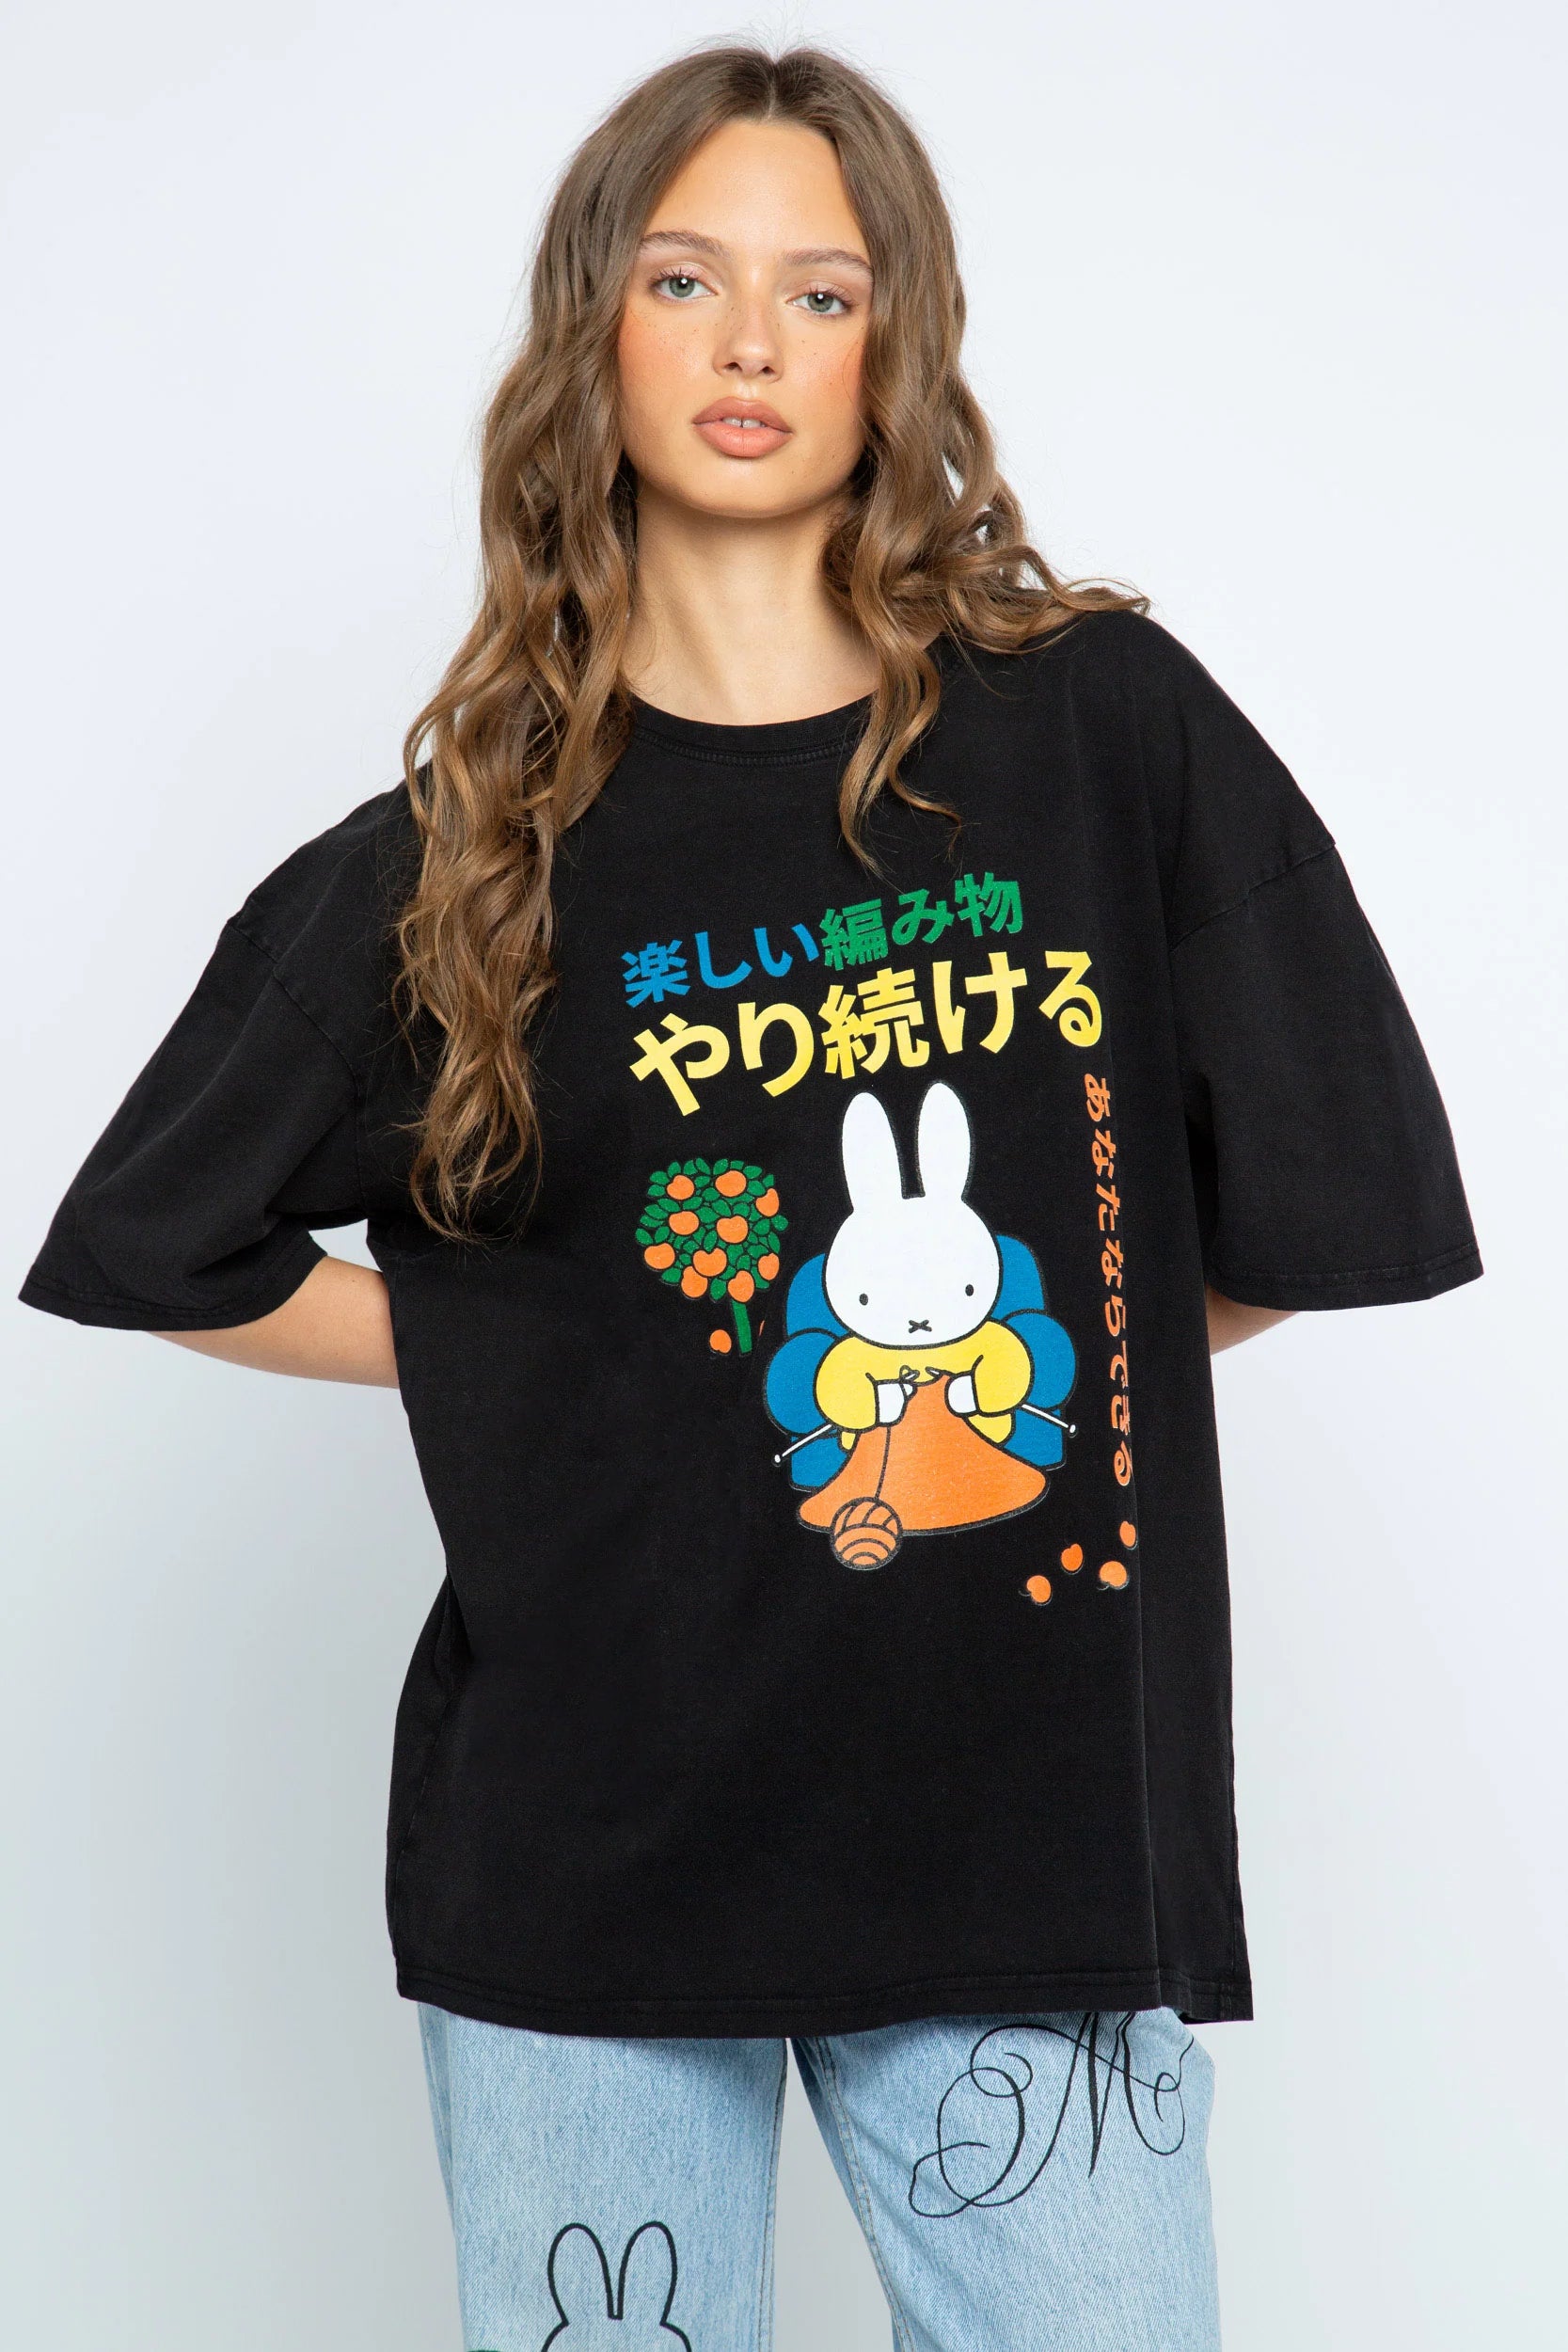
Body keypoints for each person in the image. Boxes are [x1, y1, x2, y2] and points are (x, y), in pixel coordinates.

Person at [19, 41, 1481, 2352]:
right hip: (586, 1854)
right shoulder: (473, 851)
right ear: (596, 326)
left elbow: (1316, 1198)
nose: (753, 342)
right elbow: (145, 1237)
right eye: (687, 278)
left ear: (899, 344)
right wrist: (547, 1351)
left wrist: (1000, 1357)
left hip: (1018, 1840)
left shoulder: (1095, 730)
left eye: (825, 289)